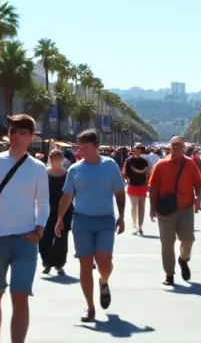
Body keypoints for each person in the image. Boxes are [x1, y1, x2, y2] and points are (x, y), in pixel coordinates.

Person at [0, 115, 50, 343]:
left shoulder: (37, 168)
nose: (17, 136)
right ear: (8, 134)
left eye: (23, 132)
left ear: (31, 137)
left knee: (20, 296)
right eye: (13, 131)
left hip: (25, 240)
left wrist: (38, 231)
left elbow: (43, 204)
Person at [53, 129, 126, 322]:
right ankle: (89, 307)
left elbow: (119, 192)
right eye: (80, 147)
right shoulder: (75, 169)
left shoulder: (110, 165)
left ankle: (104, 281)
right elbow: (67, 195)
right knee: (85, 265)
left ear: (96, 147)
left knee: (104, 262)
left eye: (85, 147)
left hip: (105, 220)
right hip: (81, 221)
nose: (81, 151)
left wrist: (122, 216)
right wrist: (60, 218)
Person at [148, 135, 201, 287]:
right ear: (169, 147)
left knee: (188, 239)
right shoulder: (161, 164)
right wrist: (152, 207)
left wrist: (199, 197)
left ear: (184, 148)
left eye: (180, 145)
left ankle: (183, 260)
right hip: (165, 209)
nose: (177, 148)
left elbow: (199, 183)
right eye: (174, 145)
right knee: (167, 242)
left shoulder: (191, 164)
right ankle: (169, 273)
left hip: (186, 207)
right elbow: (152, 187)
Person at [40, 149, 72, 276]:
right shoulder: (43, 174)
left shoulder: (68, 174)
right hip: (46, 209)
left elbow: (72, 192)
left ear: (63, 159)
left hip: (65, 210)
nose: (56, 160)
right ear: (49, 159)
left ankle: (59, 264)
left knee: (61, 238)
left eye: (58, 158)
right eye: (53, 158)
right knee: (44, 237)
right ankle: (47, 263)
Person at [122, 143, 151, 235]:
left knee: (141, 206)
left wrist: (147, 183)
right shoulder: (129, 160)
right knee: (134, 206)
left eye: (140, 149)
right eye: (137, 148)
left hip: (142, 185)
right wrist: (126, 179)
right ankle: (134, 225)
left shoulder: (144, 161)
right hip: (132, 185)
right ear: (133, 149)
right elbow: (124, 172)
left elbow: (147, 172)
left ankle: (140, 226)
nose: (138, 150)